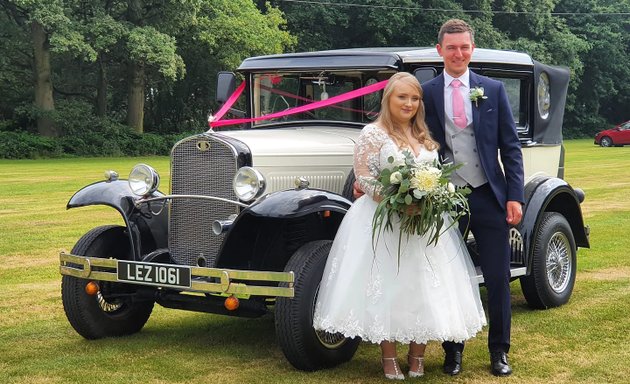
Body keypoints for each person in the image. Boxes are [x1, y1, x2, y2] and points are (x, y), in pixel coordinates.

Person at [313, 72, 486, 380]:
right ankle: (389, 356)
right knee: (387, 285)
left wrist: (429, 200)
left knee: (423, 286)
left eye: (414, 98)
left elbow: (436, 176)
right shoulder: (373, 133)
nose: (408, 103)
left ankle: (417, 355)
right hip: (383, 220)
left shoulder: (424, 137)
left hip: (423, 224)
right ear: (388, 99)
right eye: (402, 97)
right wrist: (395, 200)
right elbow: (363, 176)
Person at [421, 19, 525, 376]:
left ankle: (499, 351)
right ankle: (453, 352)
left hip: (487, 194)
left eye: (464, 47)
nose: (458, 53)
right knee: (451, 276)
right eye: (451, 47)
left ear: (472, 48)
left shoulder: (492, 90)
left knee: (497, 277)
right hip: (446, 197)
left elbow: (510, 148)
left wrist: (515, 196)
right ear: (440, 50)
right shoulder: (426, 91)